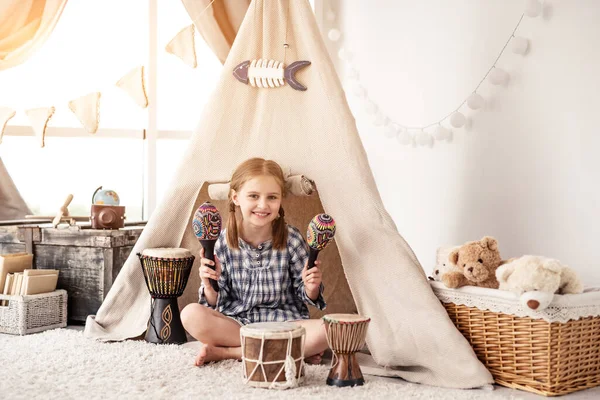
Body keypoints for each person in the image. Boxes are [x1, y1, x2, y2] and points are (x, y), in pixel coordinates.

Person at [181, 157, 328, 366]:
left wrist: (311, 286)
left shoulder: (292, 239)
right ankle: (290, 350)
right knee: (190, 314)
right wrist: (208, 283)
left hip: (284, 324)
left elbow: (306, 296)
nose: (263, 205)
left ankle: (228, 353)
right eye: (253, 196)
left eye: (272, 197)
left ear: (280, 201)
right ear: (235, 197)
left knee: (328, 330)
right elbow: (214, 303)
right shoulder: (221, 242)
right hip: (238, 324)